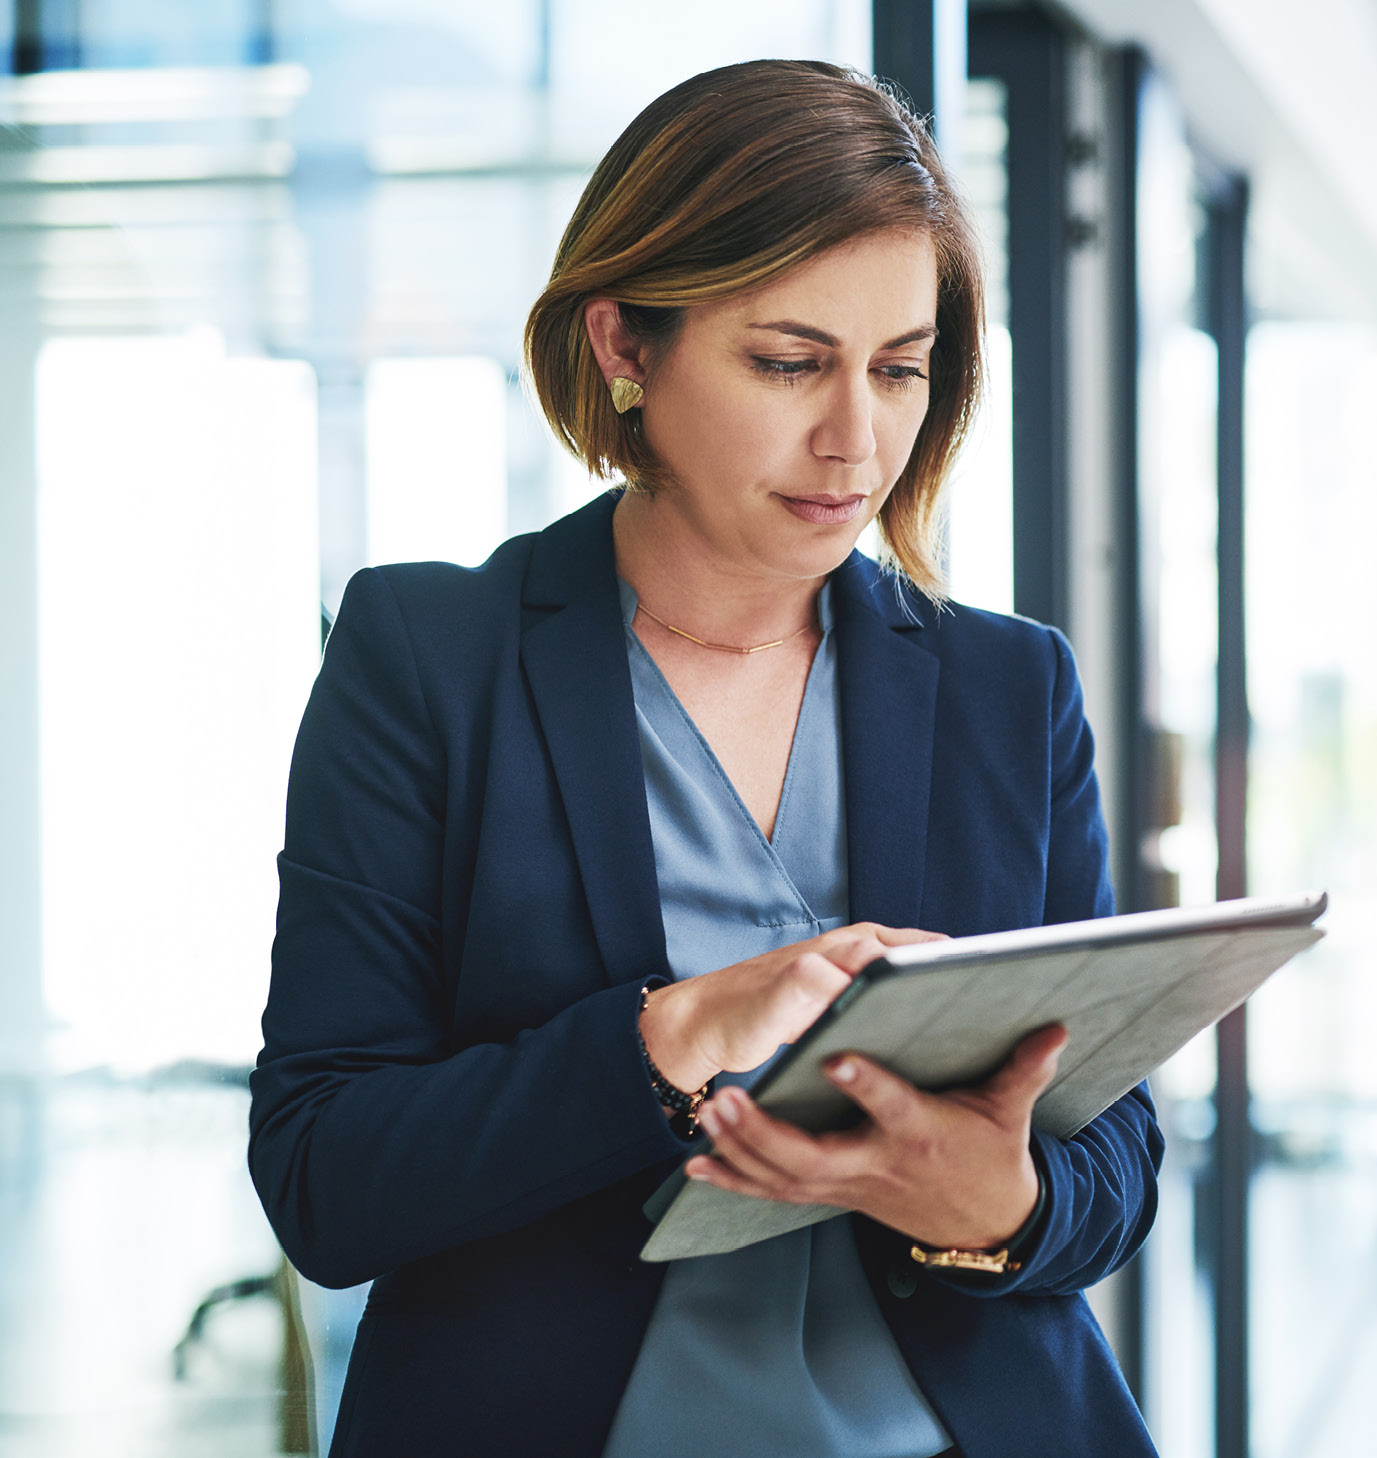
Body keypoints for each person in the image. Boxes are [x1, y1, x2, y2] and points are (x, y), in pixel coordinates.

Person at [249, 62, 1162, 1458]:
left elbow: (1116, 1151)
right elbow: (325, 1177)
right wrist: (662, 1040)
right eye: (790, 361)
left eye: (901, 368)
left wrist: (1002, 1204)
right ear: (625, 344)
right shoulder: (429, 656)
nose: (857, 439)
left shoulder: (1007, 685)